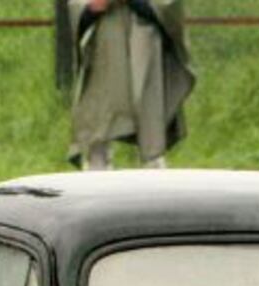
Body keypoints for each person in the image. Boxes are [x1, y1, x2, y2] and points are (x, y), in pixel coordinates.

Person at [66, 0, 195, 170]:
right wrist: (92, 7)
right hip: (105, 44)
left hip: (145, 41)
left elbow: (168, 7)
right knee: (99, 112)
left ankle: (153, 163)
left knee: (148, 106)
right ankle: (97, 163)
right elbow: (79, 8)